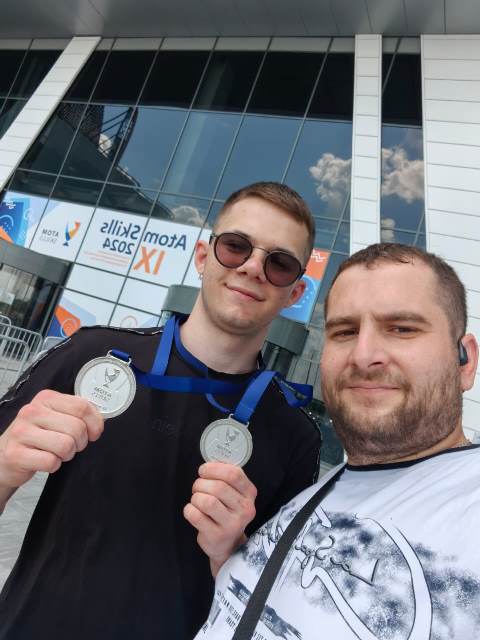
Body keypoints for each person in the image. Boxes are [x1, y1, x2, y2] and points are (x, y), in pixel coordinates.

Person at [0, 182, 321, 640]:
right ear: (203, 256)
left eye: (279, 263)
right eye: (236, 246)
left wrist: (233, 552)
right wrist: (3, 467)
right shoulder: (92, 354)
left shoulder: (295, 434)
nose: (253, 268)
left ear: (294, 292)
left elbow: (283, 606)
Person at [196, 242, 480, 640]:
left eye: (402, 328)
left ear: (464, 360)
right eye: (345, 332)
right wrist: (231, 555)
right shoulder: (328, 488)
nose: (364, 356)